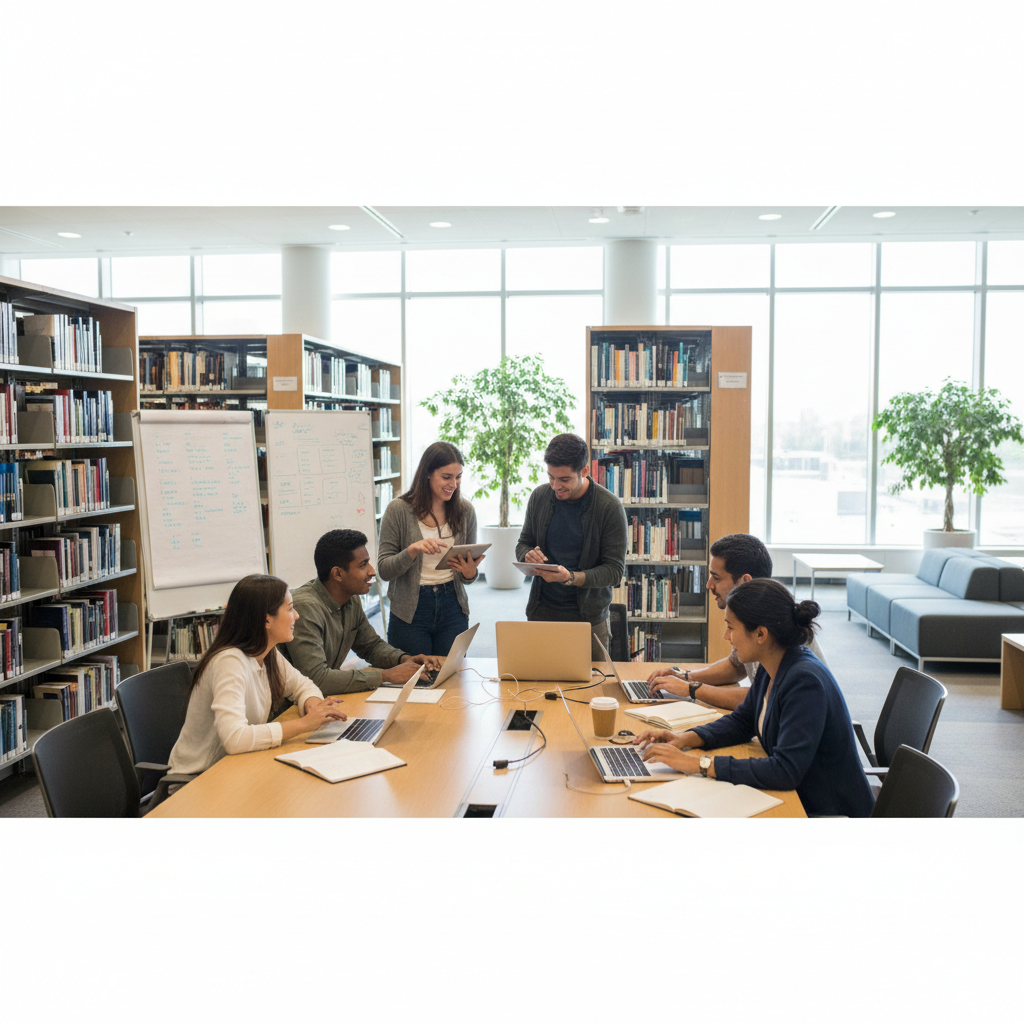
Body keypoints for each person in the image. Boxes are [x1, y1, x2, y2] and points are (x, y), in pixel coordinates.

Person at [634, 577, 874, 817]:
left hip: (829, 812)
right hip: (801, 798)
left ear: (761, 634)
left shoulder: (804, 681)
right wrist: (684, 738)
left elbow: (785, 771)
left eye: (731, 627)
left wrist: (699, 764)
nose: (727, 637)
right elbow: (743, 720)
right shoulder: (774, 665)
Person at [167, 574, 348, 778]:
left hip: (235, 768)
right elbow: (235, 739)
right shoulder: (229, 662)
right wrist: (305, 724)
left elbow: (302, 686)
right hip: (197, 780)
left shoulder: (266, 652)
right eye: (289, 608)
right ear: (266, 620)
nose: (296, 615)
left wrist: (313, 705)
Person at [647, 533, 827, 710]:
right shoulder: (751, 613)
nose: (709, 585)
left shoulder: (774, 623)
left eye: (716, 578)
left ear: (745, 582)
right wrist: (686, 677)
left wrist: (691, 689)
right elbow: (736, 666)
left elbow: (763, 698)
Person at [286, 529, 444, 695]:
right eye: (363, 565)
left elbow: (370, 646)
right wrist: (385, 675)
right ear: (338, 574)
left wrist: (404, 659)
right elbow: (316, 679)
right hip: (290, 708)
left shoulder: (350, 598)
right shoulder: (304, 608)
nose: (372, 571)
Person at [516, 432, 627, 659]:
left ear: (584, 471)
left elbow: (614, 572)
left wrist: (571, 578)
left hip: (589, 620)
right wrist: (528, 554)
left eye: (564, 480)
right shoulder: (539, 497)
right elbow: (523, 542)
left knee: (593, 687)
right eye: (551, 477)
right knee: (537, 686)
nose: (556, 486)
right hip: (542, 613)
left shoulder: (609, 507)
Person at [377, 441, 484, 656]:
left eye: (458, 476)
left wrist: (470, 572)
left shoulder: (465, 511)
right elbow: (384, 570)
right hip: (410, 609)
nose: (453, 484)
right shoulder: (398, 510)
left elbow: (467, 577)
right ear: (427, 473)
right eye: (446, 477)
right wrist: (412, 551)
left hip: (453, 605)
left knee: (451, 680)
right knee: (414, 678)